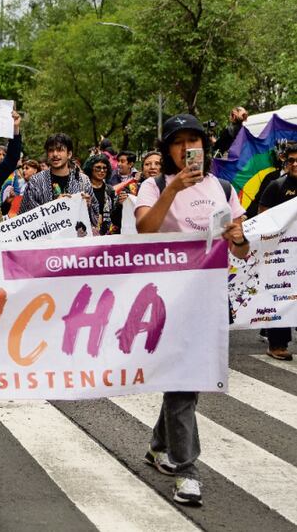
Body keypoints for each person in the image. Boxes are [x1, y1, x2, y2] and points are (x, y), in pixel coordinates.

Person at [135, 113, 249, 507]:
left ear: (204, 145)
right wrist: (173, 189)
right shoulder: (153, 185)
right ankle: (186, 470)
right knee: (183, 382)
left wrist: (238, 238)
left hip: (208, 299)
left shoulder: (222, 187)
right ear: (167, 149)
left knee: (186, 381)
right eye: (177, 141)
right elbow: (145, 230)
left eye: (193, 140)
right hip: (168, 300)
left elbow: (240, 250)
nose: (186, 148)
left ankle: (158, 445)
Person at [256, 142, 297, 360]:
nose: (295, 164)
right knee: (280, 297)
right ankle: (277, 344)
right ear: (285, 162)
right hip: (282, 255)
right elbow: (263, 217)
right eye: (291, 160)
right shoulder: (276, 186)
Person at [20, 133, 97, 226]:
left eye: (60, 150)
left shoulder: (83, 181)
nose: (55, 154)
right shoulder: (36, 181)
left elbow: (95, 217)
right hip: (46, 234)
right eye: (51, 150)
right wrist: (55, 208)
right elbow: (26, 217)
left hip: (76, 233)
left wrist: (88, 205)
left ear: (69, 154)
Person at [85, 154, 120, 234]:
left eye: (105, 168)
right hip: (86, 234)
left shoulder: (110, 191)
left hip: (107, 234)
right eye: (98, 167)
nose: (102, 170)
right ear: (90, 169)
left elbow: (115, 216)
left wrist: (120, 204)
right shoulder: (83, 189)